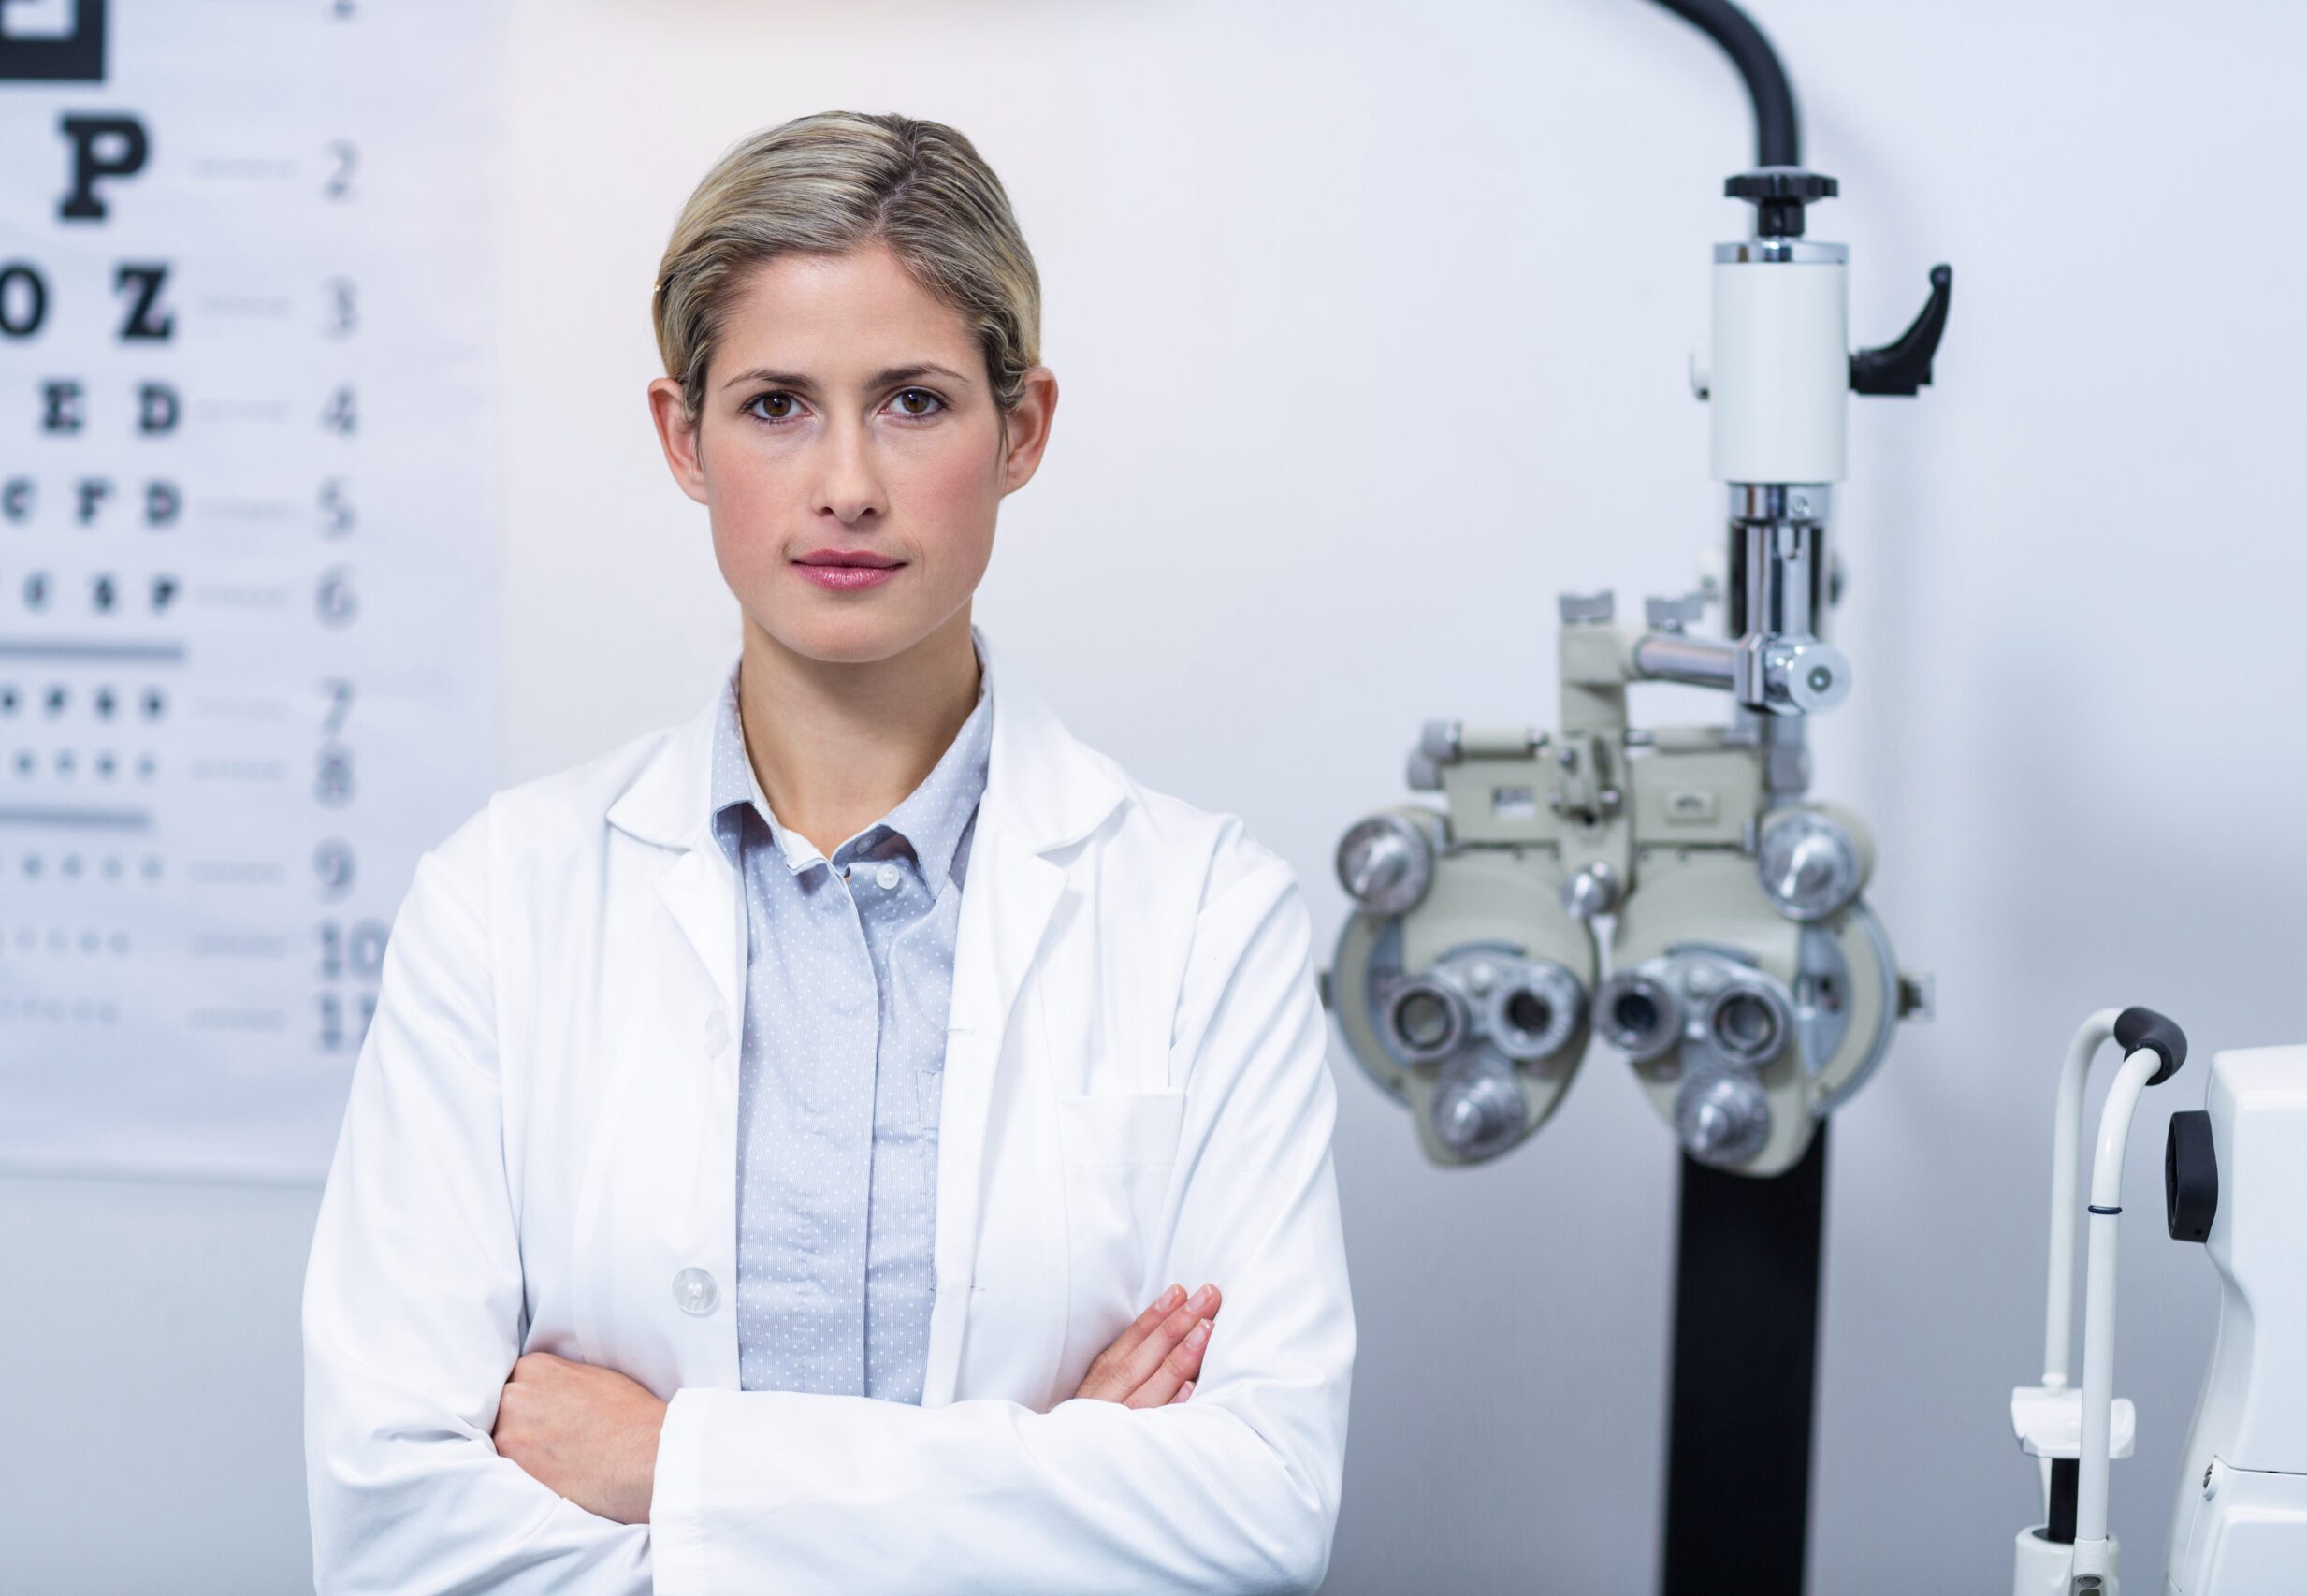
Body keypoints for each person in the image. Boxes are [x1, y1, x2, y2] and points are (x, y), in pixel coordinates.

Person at [302, 109, 1354, 1594]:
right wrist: (1040, 1492)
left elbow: (1253, 1514)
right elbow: (395, 1531)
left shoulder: (1202, 912)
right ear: (684, 435)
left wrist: (674, 1468)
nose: (846, 482)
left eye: (915, 402)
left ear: (1023, 429)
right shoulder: (500, 904)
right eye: (778, 403)